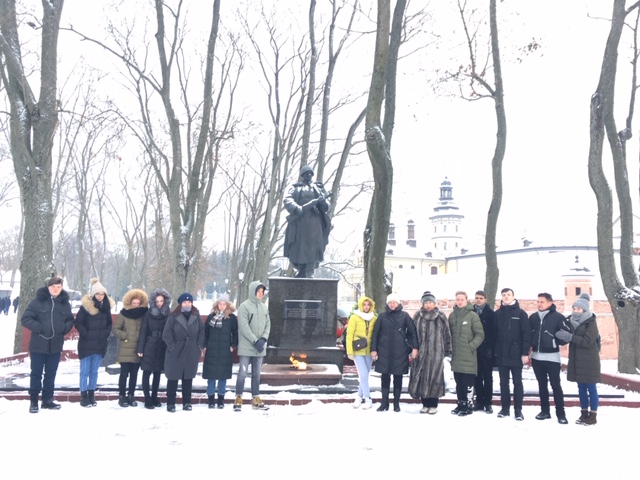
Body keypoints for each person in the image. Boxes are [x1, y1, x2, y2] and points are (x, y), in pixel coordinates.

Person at [21, 276, 74, 413]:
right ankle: (34, 401)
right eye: (53, 287)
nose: (56, 289)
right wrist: (39, 328)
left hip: (55, 346)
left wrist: (64, 328)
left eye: (58, 287)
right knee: (36, 374)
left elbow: (70, 320)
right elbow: (25, 319)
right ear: (48, 287)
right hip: (38, 345)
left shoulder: (64, 303)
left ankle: (47, 400)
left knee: (50, 374)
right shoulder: (37, 301)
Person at [556, 292, 601, 425]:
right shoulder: (570, 321)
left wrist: (570, 337)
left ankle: (593, 416)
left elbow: (587, 341)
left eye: (579, 309)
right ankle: (583, 413)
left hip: (590, 360)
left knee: (591, 388)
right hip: (576, 359)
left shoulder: (590, 322)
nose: (576, 311)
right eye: (574, 308)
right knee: (581, 387)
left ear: (585, 310)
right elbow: (565, 334)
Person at [371, 293, 419, 413]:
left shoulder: (405, 316)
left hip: (400, 352)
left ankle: (396, 403)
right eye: (390, 302)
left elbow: (413, 332)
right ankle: (385, 402)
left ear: (398, 303)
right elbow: (375, 333)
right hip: (384, 351)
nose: (392, 304)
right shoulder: (382, 316)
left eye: (394, 302)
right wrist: (374, 349)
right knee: (385, 377)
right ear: (387, 303)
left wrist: (414, 348)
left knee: (398, 377)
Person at [283, 165, 331, 278]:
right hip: (299, 221)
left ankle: (310, 270)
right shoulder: (295, 188)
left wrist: (323, 202)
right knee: (299, 245)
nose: (309, 175)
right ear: (302, 175)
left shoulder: (319, 188)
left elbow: (327, 206)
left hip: (314, 222)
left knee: (313, 246)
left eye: (310, 173)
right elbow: (287, 199)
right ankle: (301, 270)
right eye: (306, 173)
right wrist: (297, 208)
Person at [408, 291, 452, 415]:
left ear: (434, 303)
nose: (428, 305)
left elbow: (447, 335)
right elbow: (411, 334)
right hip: (420, 353)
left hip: (437, 353)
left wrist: (448, 352)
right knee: (421, 377)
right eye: (426, 302)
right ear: (422, 304)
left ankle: (433, 404)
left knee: (435, 377)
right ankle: (425, 404)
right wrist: (412, 349)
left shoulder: (441, 316)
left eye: (430, 302)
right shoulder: (417, 316)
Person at [529, 292, 570, 424]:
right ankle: (545, 411)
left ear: (550, 303)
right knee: (542, 386)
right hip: (536, 357)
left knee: (556, 386)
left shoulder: (558, 317)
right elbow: (528, 334)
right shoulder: (533, 317)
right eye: (538, 301)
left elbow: (567, 334)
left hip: (552, 358)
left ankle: (561, 414)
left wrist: (555, 340)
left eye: (542, 302)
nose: (539, 304)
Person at [74, 278, 114, 407]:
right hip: (86, 344)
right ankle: (83, 396)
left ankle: (91, 394)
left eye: (102, 294)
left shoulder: (106, 308)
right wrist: (86, 334)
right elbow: (78, 322)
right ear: (93, 294)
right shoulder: (85, 307)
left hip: (100, 344)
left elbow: (109, 324)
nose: (100, 296)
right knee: (84, 372)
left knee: (94, 372)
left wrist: (105, 333)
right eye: (98, 294)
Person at [162, 292, 205, 412]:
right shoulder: (173, 316)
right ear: (180, 303)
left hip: (191, 349)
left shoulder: (196, 315)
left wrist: (198, 345)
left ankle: (187, 402)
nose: (187, 304)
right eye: (185, 302)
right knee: (173, 377)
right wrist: (172, 347)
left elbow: (202, 331)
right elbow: (167, 333)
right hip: (176, 350)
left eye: (189, 302)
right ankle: (171, 403)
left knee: (188, 378)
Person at [493, 288, 530, 421]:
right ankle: (505, 409)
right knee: (503, 383)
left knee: (517, 383)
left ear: (513, 296)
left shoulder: (521, 314)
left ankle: (518, 410)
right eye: (504, 295)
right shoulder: (497, 314)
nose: (506, 297)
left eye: (508, 294)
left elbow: (526, 334)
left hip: (516, 354)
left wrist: (525, 353)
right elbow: (493, 334)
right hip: (502, 354)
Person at [234, 281, 270, 411]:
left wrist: (263, 339)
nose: (260, 294)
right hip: (247, 347)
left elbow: (268, 324)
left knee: (257, 374)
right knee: (242, 373)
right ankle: (238, 397)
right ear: (252, 291)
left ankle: (255, 398)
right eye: (258, 291)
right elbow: (244, 326)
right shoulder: (244, 307)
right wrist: (255, 341)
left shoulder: (264, 307)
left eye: (262, 292)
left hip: (260, 347)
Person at [448, 291, 485, 416]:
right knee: (459, 382)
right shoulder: (452, 316)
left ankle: (468, 405)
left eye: (462, 299)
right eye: (457, 299)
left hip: (469, 355)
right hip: (456, 356)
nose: (459, 302)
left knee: (468, 383)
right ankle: (461, 404)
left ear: (466, 300)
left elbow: (480, 334)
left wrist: (471, 346)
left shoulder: (472, 315)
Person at [114, 288, 149, 408]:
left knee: (134, 374)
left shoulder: (144, 314)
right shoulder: (124, 313)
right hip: (126, 347)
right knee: (124, 374)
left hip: (138, 348)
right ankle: (122, 396)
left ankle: (131, 395)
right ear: (129, 302)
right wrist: (125, 335)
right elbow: (116, 329)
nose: (136, 305)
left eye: (138, 303)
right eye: (134, 303)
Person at [136, 288, 171, 409]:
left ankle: (154, 397)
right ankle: (147, 398)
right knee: (146, 372)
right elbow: (143, 331)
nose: (159, 303)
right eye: (157, 301)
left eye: (161, 301)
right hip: (149, 344)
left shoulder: (168, 313)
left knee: (157, 373)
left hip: (162, 345)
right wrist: (140, 349)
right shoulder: (148, 313)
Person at [202, 294, 238, 409]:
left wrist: (233, 345)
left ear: (227, 305)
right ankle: (211, 400)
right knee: (211, 377)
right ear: (217, 305)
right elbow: (205, 332)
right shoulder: (211, 316)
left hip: (225, 351)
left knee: (223, 377)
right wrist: (204, 345)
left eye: (224, 304)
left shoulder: (231, 318)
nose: (222, 306)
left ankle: (221, 400)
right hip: (212, 350)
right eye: (220, 304)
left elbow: (235, 332)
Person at [346, 296, 378, 409]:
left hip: (369, 351)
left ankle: (359, 397)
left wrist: (376, 350)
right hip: (358, 350)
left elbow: (376, 335)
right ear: (360, 305)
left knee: (365, 376)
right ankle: (368, 399)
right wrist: (350, 351)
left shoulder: (374, 318)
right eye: (364, 304)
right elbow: (349, 335)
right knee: (363, 375)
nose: (366, 307)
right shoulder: (354, 317)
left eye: (368, 305)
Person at [473, 290, 496, 413]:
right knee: (477, 377)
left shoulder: (491, 314)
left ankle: (487, 402)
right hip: (474, 349)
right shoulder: (471, 312)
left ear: (485, 300)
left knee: (487, 377)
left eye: (481, 298)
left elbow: (494, 333)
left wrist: (491, 349)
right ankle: (479, 401)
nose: (478, 300)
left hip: (487, 350)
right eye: (477, 298)